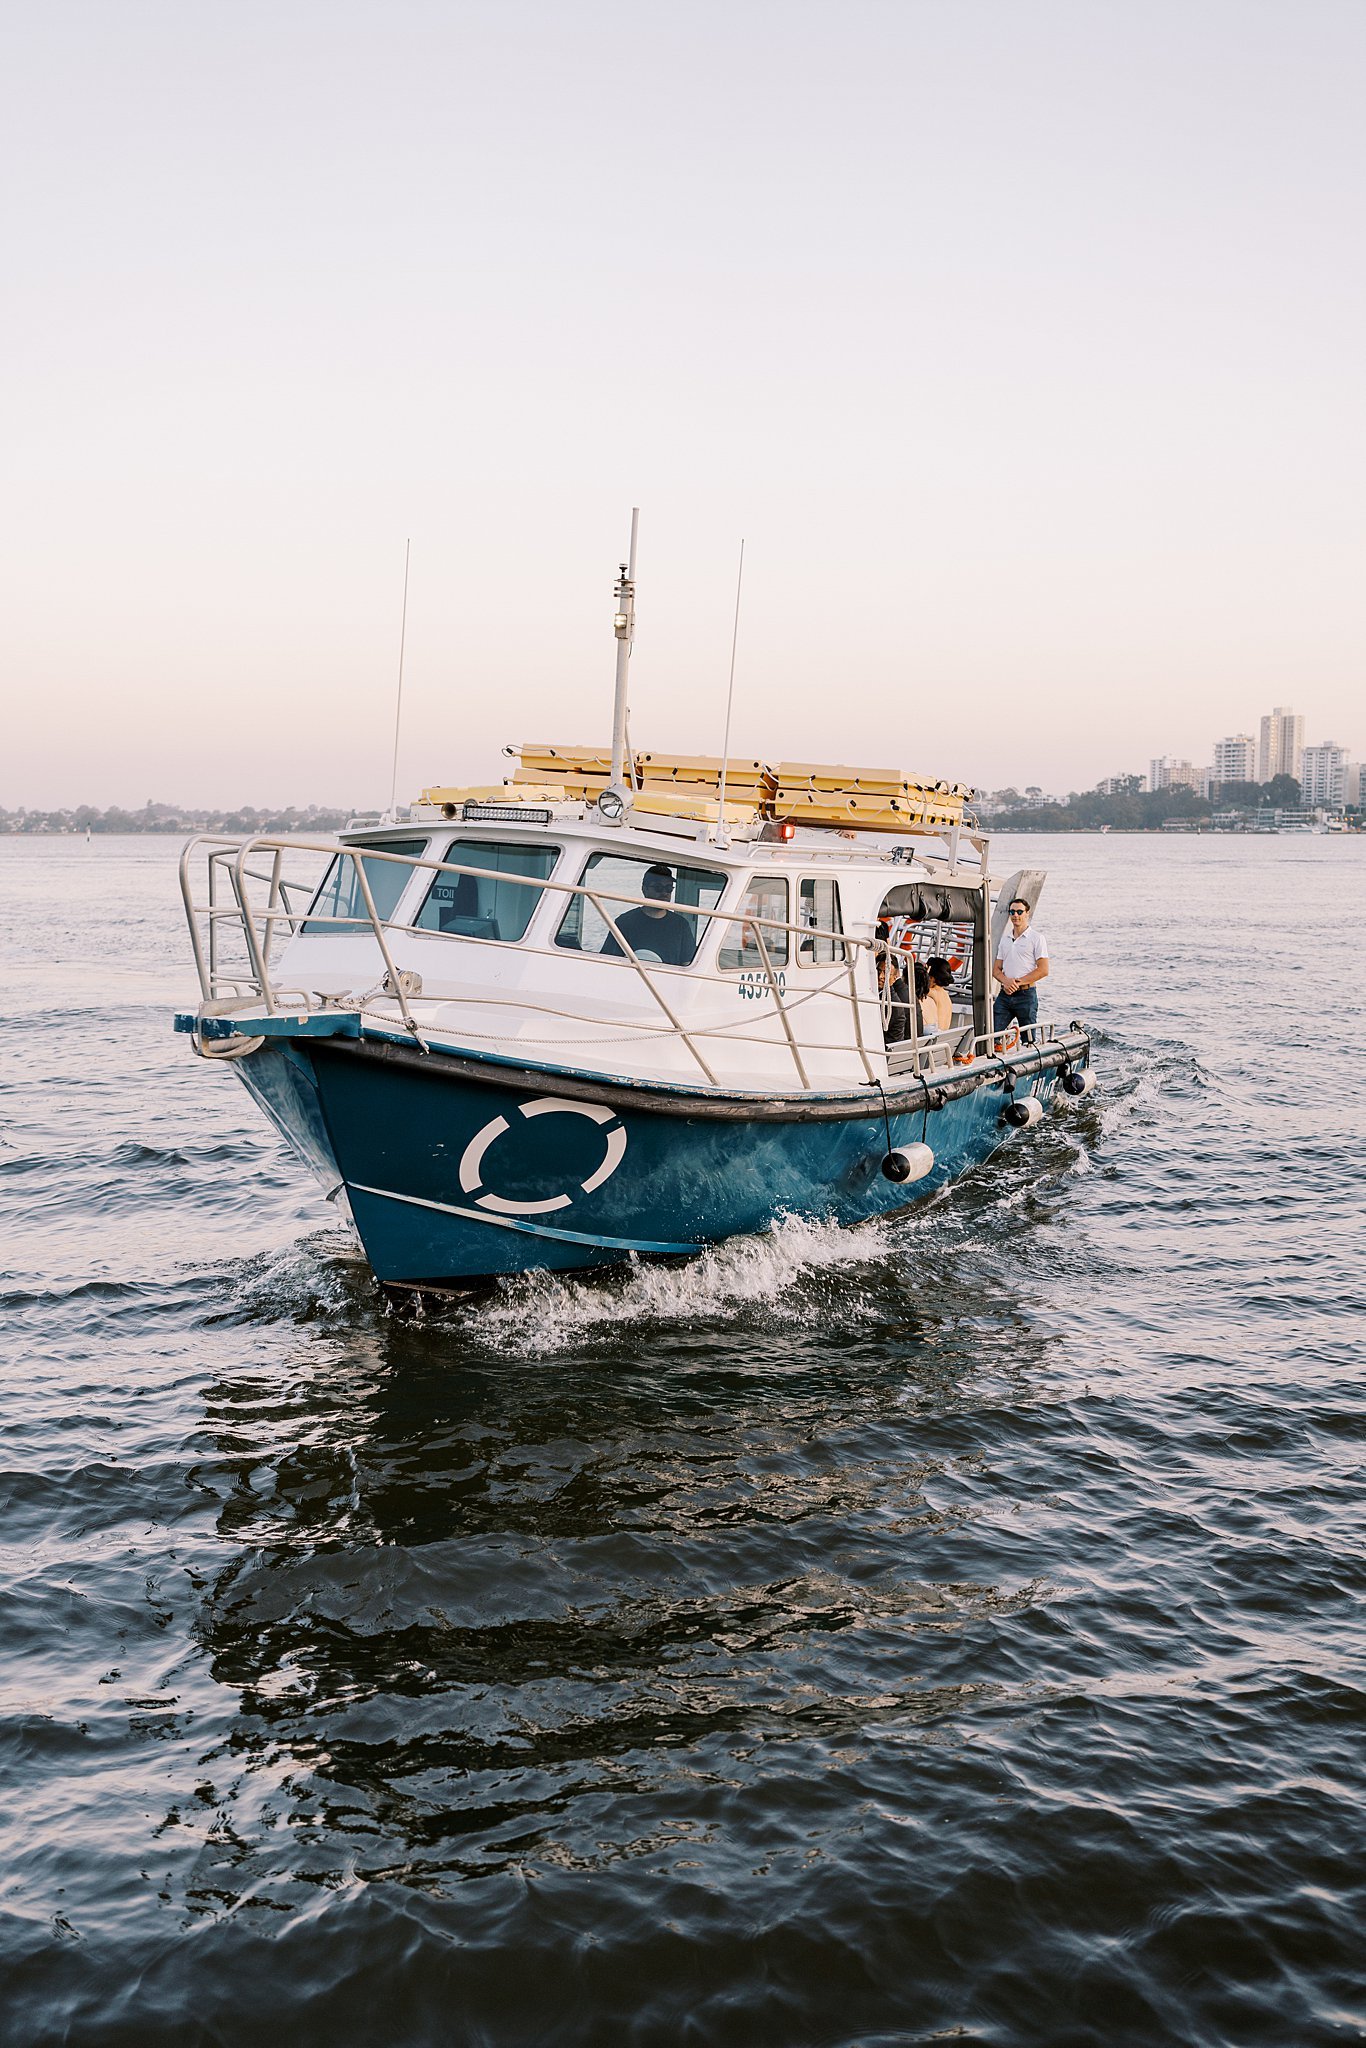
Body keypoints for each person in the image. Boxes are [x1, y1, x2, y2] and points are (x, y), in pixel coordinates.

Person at [601, 863, 698, 966]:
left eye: (669, 888)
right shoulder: (624, 922)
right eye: (658, 888)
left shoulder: (681, 925)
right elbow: (608, 961)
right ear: (644, 889)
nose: (664, 893)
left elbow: (687, 963)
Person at [993, 895, 1049, 1037]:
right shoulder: (1005, 940)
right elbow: (996, 969)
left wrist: (1017, 983)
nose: (1015, 915)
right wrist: (1006, 981)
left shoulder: (1036, 938)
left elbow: (1043, 970)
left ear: (1027, 913)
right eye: (1012, 912)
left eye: (1019, 912)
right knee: (990, 1033)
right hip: (1005, 995)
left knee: (1028, 1039)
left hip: (1026, 995)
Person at [924, 957, 955, 1032]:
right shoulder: (945, 995)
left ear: (932, 978)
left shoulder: (931, 993)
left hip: (933, 1040)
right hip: (942, 1039)